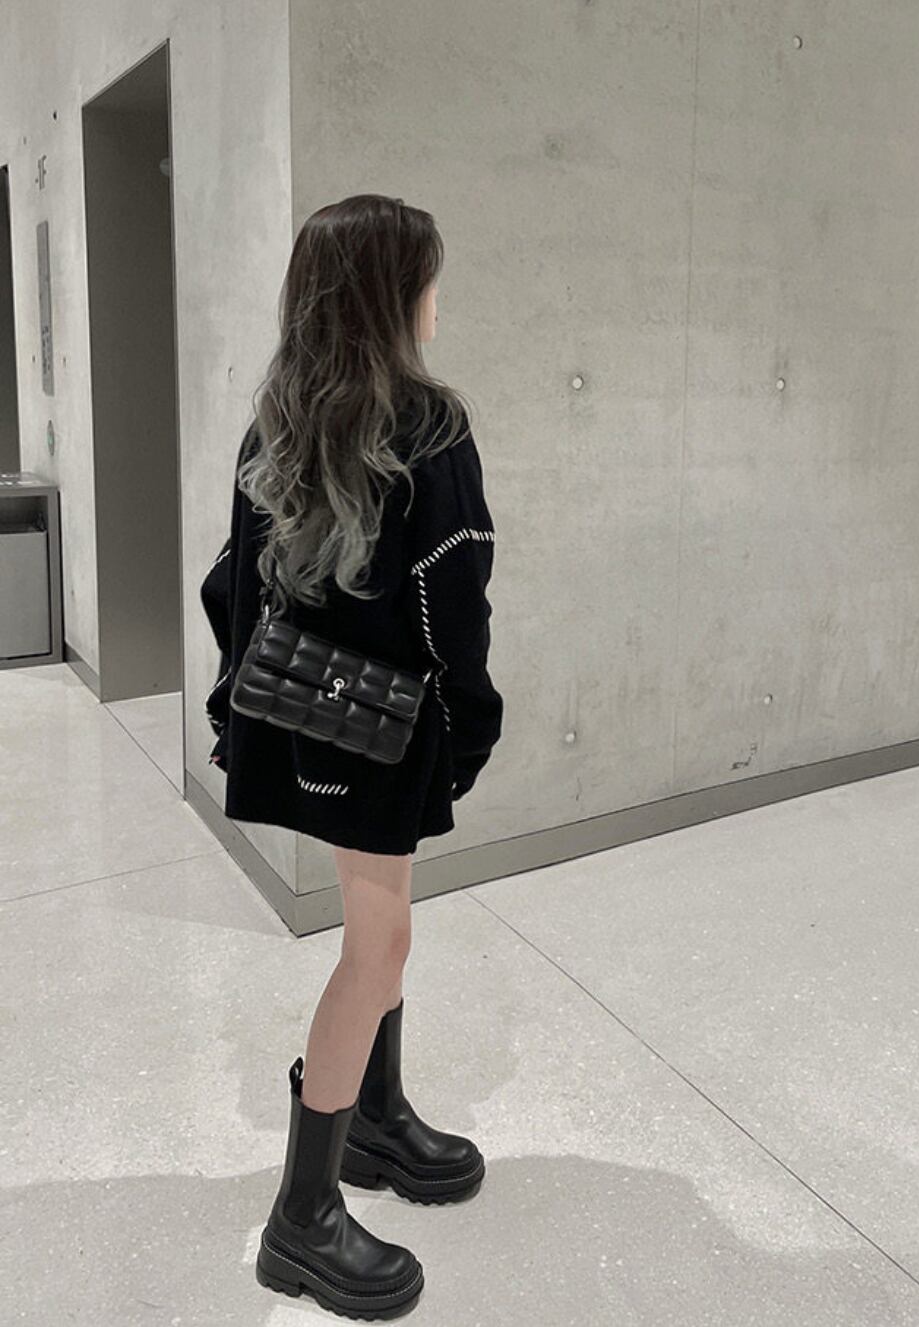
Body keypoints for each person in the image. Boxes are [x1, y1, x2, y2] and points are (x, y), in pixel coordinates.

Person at [198, 193, 504, 1319]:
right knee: (378, 948)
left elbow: (229, 587)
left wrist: (241, 708)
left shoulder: (276, 426)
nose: (438, 301)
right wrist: (470, 724)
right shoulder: (429, 428)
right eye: (428, 279)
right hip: (385, 734)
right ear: (392, 296)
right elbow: (451, 604)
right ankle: (302, 1216)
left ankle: (374, 1117)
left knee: (386, 927)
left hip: (302, 721)